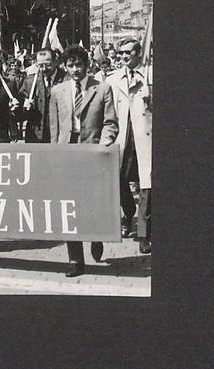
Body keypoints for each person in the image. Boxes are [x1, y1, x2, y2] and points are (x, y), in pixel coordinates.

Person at [49, 44, 118, 277]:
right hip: (67, 154)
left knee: (92, 202)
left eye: (79, 65)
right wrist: (55, 153)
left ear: (87, 66)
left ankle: (96, 237)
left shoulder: (102, 89)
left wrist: (105, 141)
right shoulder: (57, 91)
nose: (75, 69)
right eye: (70, 65)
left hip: (93, 152)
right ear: (65, 67)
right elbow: (54, 127)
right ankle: (75, 260)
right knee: (70, 206)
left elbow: (110, 122)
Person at [108, 37, 152, 253]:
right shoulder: (112, 79)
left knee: (146, 184)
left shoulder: (150, 76)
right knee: (119, 178)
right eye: (121, 54)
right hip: (123, 135)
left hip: (145, 135)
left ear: (138, 52)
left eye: (129, 53)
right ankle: (128, 211)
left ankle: (144, 233)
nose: (125, 57)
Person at [19, 48, 66, 143]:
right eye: (40, 65)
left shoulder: (67, 80)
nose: (44, 69)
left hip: (60, 135)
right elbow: (19, 115)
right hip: (36, 136)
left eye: (48, 65)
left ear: (55, 61)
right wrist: (23, 107)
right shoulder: (30, 82)